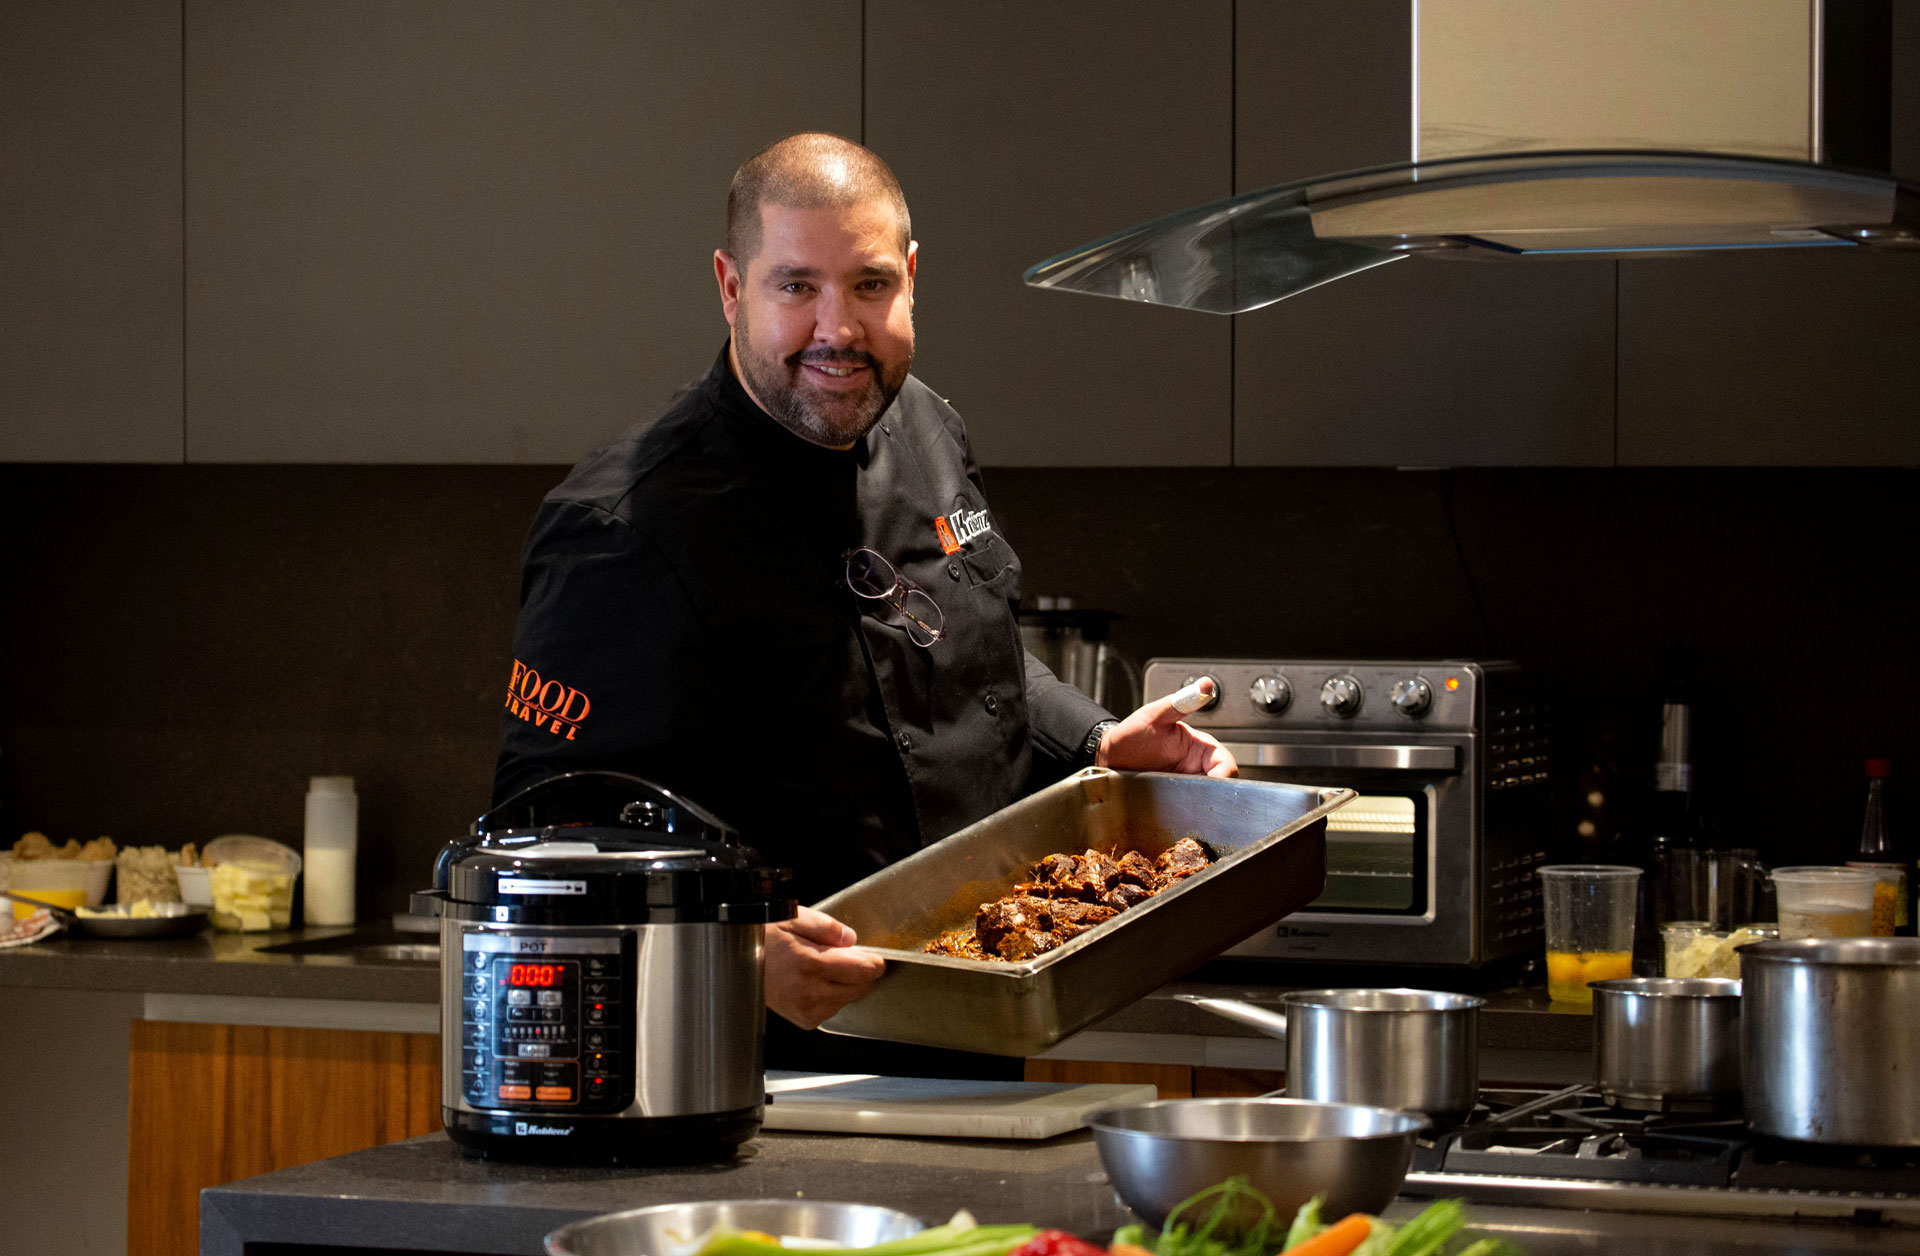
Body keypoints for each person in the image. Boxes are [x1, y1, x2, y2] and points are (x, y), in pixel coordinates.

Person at [494, 132, 1235, 1072]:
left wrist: (1095, 742)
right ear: (731, 287)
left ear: (912, 278)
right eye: (796, 286)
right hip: (755, 1067)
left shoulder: (924, 424)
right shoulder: (622, 526)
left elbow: (966, 649)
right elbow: (539, 835)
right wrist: (732, 952)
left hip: (973, 1024)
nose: (838, 330)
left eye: (870, 285)